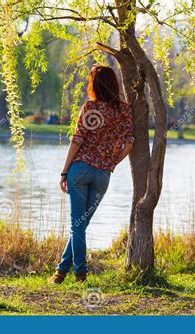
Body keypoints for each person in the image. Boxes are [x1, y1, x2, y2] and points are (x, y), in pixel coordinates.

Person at [48, 65, 134, 284]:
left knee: (78, 226)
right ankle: (60, 273)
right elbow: (129, 144)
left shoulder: (90, 107)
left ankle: (81, 274)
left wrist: (64, 171)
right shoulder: (124, 110)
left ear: (94, 85)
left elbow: (77, 140)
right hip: (102, 176)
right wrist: (111, 163)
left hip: (80, 171)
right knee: (80, 226)